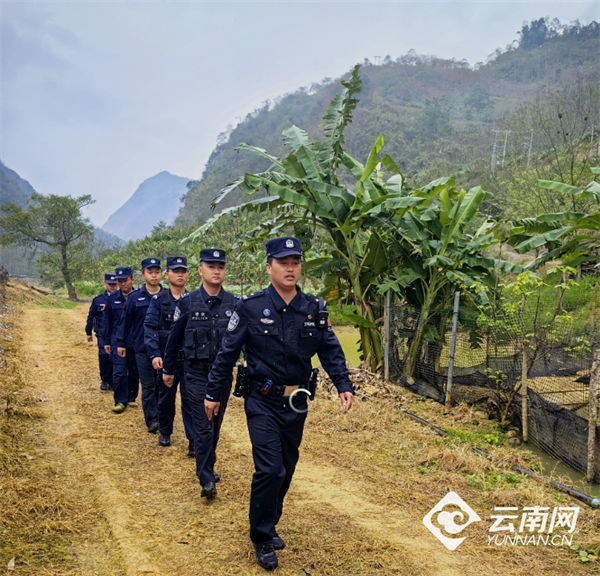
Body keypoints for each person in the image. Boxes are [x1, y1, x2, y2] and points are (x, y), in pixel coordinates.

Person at [204, 237, 354, 571]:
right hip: (262, 400)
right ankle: (260, 536)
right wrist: (212, 393)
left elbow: (330, 349)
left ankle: (270, 522)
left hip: (297, 401)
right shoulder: (250, 307)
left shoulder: (314, 308)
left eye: (295, 263)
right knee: (270, 468)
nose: (290, 268)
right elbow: (227, 353)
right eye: (283, 262)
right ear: (269, 266)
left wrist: (343, 383)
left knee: (287, 466)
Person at [163, 249, 237, 498]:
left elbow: (243, 339)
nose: (216, 271)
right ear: (200, 270)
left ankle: (209, 464)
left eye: (221, 267)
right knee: (203, 427)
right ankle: (206, 478)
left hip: (222, 376)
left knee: (215, 424)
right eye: (211, 266)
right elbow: (173, 339)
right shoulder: (187, 302)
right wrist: (168, 369)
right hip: (195, 374)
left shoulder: (234, 304)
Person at [144, 256, 194, 455]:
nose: (180, 274)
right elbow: (150, 328)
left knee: (190, 400)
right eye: (176, 271)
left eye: (183, 271)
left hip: (190, 360)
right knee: (165, 398)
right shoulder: (159, 300)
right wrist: (154, 354)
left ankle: (193, 440)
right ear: (167, 274)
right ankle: (165, 431)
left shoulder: (194, 300)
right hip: (167, 359)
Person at [117, 258, 163, 432]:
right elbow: (126, 322)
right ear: (143, 275)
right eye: (150, 272)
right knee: (148, 385)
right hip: (142, 348)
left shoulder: (166, 296)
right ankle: (152, 420)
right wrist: (121, 342)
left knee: (162, 384)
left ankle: (162, 416)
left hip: (163, 348)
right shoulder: (134, 297)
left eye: (157, 272)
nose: (154, 275)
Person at [99, 266, 140, 414]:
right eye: (120, 281)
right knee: (119, 371)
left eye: (126, 280)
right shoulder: (112, 298)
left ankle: (131, 397)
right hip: (117, 340)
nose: (123, 284)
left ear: (132, 280)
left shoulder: (139, 296)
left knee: (134, 371)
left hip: (135, 340)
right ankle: (120, 401)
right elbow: (107, 321)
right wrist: (106, 341)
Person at [85, 272, 117, 391]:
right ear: (105, 284)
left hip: (116, 333)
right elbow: (91, 315)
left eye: (114, 284)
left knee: (115, 356)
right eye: (110, 284)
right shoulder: (98, 299)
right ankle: (105, 380)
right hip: (102, 333)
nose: (112, 286)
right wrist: (88, 332)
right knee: (104, 356)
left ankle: (113, 381)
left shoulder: (122, 298)